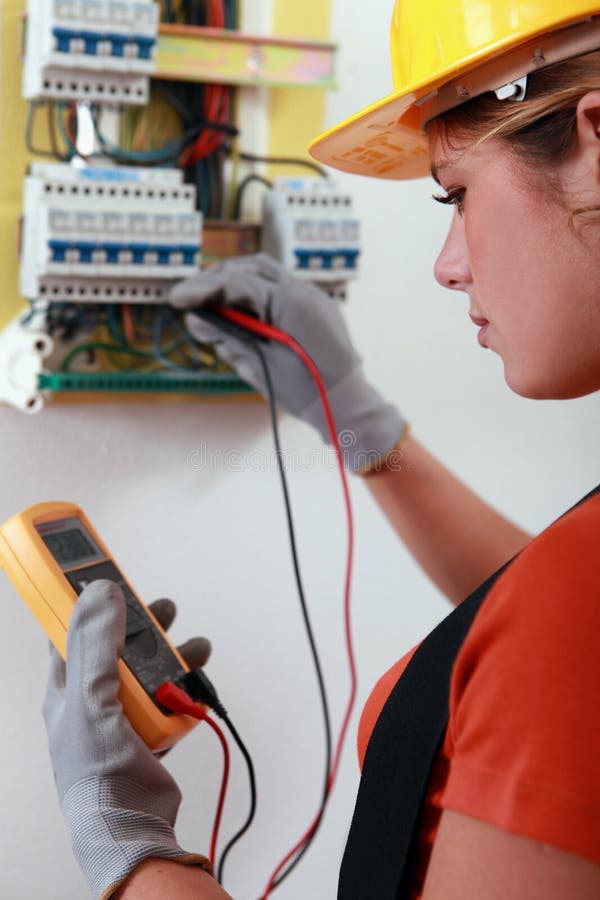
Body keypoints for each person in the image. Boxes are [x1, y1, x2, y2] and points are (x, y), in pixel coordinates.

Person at [42, 1, 600, 897]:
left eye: (455, 194)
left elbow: (563, 625)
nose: (447, 264)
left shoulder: (575, 611)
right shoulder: (570, 603)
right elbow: (542, 613)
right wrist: (359, 425)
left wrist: (126, 842)